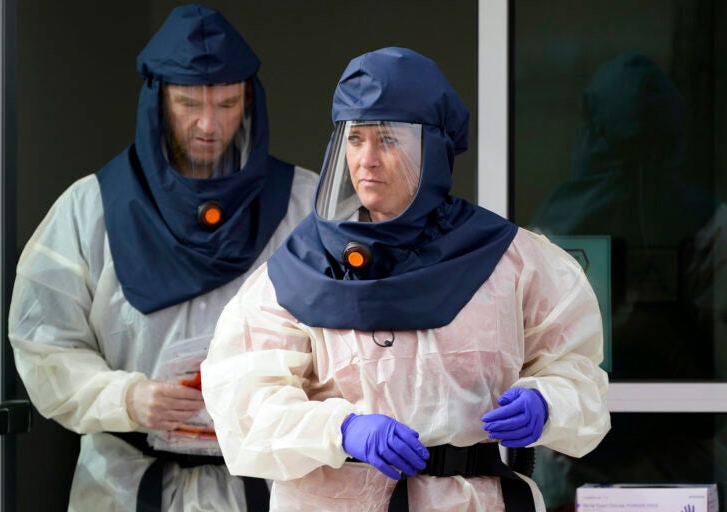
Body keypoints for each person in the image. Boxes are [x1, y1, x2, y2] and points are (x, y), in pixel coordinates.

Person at [200, 47, 611, 512]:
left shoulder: (510, 260)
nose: (367, 160)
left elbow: (578, 374)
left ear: (433, 150)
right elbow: (243, 403)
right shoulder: (299, 271)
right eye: (355, 139)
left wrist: (546, 404)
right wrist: (342, 431)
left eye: (389, 140)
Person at [8, 4, 317, 511]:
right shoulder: (90, 209)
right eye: (188, 102)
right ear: (156, 100)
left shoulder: (305, 207)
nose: (207, 124)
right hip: (124, 488)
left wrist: (273, 402)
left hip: (266, 487)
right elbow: (43, 342)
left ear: (251, 101)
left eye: (227, 103)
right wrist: (127, 398)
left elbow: (354, 342)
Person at [527, 53, 727, 511]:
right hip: (679, 474)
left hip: (586, 473)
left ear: (592, 129)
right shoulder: (710, 223)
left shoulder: (550, 229)